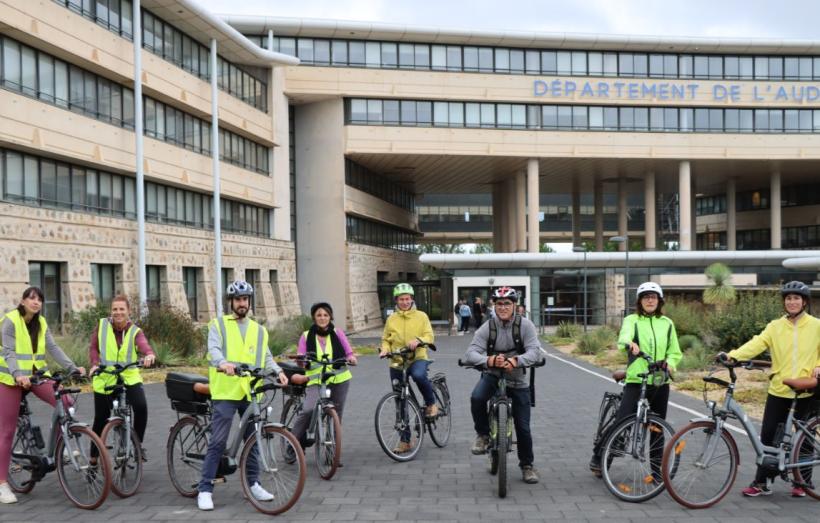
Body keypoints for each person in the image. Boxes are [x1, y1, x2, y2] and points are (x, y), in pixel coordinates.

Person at [722, 280, 820, 498]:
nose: (792, 302)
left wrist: (819, 365)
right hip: (779, 389)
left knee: (805, 439)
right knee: (768, 437)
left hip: (806, 389)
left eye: (796, 298)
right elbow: (756, 343)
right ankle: (762, 482)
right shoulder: (775, 326)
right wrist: (733, 356)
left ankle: (802, 483)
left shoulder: (816, 325)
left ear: (804, 302)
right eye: (788, 298)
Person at [197, 280, 289, 511]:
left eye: (245, 299)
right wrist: (223, 363)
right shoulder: (218, 325)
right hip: (226, 390)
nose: (242, 303)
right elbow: (213, 350)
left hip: (250, 390)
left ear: (249, 301)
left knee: (253, 439)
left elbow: (266, 356)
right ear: (231, 302)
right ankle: (205, 489)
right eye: (238, 299)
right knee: (218, 441)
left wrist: (278, 371)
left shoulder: (259, 330)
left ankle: (253, 484)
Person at [0, 287, 86, 504]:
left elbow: (53, 348)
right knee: (7, 431)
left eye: (39, 299)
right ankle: (2, 484)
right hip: (10, 378)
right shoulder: (10, 321)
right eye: (32, 298)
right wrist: (18, 375)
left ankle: (59, 447)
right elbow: (8, 352)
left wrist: (73, 368)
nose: (36, 302)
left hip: (36, 375)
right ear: (23, 301)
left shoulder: (42, 323)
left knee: (65, 401)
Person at [589, 282, 681, 478]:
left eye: (653, 297)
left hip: (659, 381)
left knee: (657, 428)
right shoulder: (632, 320)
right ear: (640, 301)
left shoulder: (667, 323)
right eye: (646, 297)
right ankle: (600, 458)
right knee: (622, 422)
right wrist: (630, 344)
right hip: (636, 380)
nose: (650, 300)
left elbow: (675, 352)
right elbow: (623, 338)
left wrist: (671, 364)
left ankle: (656, 471)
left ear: (659, 301)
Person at [463, 286, 545, 484]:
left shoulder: (525, 325)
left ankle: (527, 466)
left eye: (507, 303)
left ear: (514, 305)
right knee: (477, 397)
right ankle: (483, 435)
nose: (503, 307)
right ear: (494, 306)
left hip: (518, 380)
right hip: (492, 376)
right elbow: (471, 353)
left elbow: (535, 351)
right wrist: (489, 360)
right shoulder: (488, 326)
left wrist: (516, 361)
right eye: (499, 304)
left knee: (523, 427)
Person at [88, 295, 156, 464]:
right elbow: (94, 347)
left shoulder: (135, 331)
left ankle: (137, 444)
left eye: (121, 309)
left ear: (128, 311)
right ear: (111, 311)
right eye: (115, 309)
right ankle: (93, 458)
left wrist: (149, 354)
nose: (118, 312)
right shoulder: (102, 326)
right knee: (101, 418)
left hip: (128, 377)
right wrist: (95, 364)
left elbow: (143, 344)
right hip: (106, 377)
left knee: (141, 407)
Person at [291, 302, 357, 450]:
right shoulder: (306, 336)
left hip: (340, 378)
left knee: (336, 415)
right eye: (319, 315)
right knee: (308, 410)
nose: (322, 318)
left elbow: (349, 353)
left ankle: (332, 450)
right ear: (314, 318)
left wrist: (352, 358)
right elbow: (301, 356)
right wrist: (301, 360)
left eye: (326, 315)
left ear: (330, 317)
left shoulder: (338, 333)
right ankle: (292, 442)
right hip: (315, 379)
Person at [379, 283, 436, 453]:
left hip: (418, 357)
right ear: (396, 301)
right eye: (401, 299)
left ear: (412, 299)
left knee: (418, 375)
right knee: (400, 401)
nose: (404, 302)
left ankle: (431, 404)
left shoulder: (421, 316)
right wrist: (385, 349)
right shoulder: (391, 319)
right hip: (397, 361)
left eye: (407, 299)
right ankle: (405, 441)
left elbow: (429, 335)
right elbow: (386, 338)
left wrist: (418, 340)